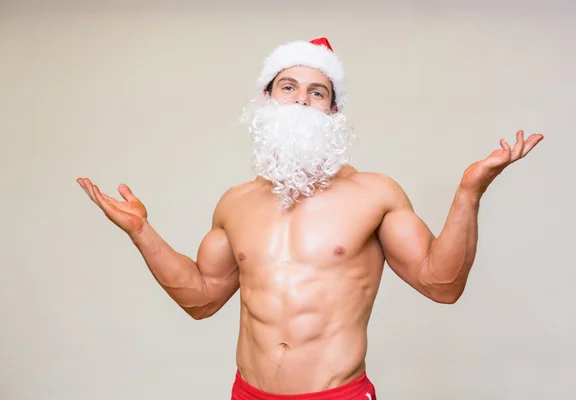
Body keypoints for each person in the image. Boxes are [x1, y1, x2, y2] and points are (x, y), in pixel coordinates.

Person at [76, 37, 543, 399]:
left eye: (317, 92)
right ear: (267, 100)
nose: (301, 100)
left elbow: (442, 285)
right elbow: (201, 299)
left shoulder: (374, 194)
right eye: (288, 87)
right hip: (248, 393)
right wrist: (142, 233)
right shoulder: (235, 203)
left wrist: (469, 193)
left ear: (333, 110)